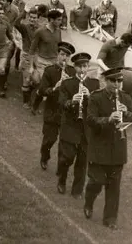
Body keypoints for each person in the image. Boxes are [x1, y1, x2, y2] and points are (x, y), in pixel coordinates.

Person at [84, 67, 132, 229]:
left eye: (119, 81)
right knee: (97, 182)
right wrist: (108, 119)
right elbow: (90, 119)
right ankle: (89, 202)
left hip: (117, 148)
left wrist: (126, 113)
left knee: (114, 186)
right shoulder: (96, 97)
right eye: (113, 81)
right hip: (100, 146)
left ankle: (110, 219)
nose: (117, 84)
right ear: (105, 81)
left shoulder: (125, 98)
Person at [57, 52, 100, 197]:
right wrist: (72, 101)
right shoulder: (67, 83)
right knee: (66, 158)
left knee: (82, 162)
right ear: (74, 67)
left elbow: (98, 108)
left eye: (85, 66)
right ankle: (62, 180)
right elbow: (61, 103)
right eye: (80, 67)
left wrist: (90, 97)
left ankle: (77, 190)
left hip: (86, 129)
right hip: (70, 126)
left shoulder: (94, 84)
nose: (82, 70)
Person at [35, 42, 76, 171]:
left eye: (67, 56)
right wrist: (55, 87)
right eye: (62, 54)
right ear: (57, 55)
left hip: (66, 113)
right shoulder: (49, 71)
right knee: (49, 140)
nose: (64, 58)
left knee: (65, 145)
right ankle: (44, 157)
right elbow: (42, 90)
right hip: (52, 111)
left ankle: (61, 169)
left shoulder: (72, 72)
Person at [29, 9, 64, 109]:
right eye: (58, 20)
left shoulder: (59, 31)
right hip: (41, 61)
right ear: (51, 20)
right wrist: (31, 66)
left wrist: (61, 60)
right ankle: (35, 104)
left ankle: (38, 104)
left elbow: (59, 47)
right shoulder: (40, 31)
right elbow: (32, 50)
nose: (60, 22)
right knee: (40, 84)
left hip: (54, 62)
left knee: (50, 85)